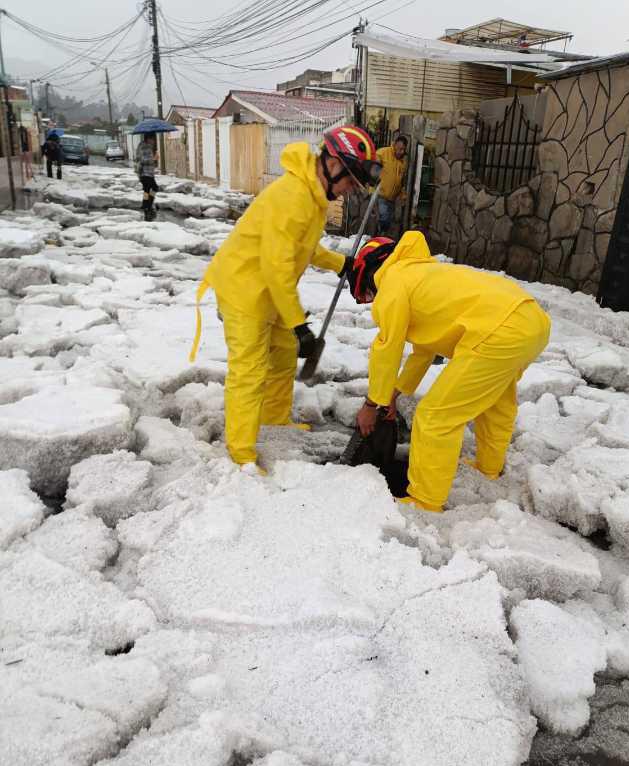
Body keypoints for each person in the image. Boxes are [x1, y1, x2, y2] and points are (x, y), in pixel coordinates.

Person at [189, 124, 381, 472]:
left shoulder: (312, 195)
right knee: (248, 372)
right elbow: (278, 268)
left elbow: (302, 247)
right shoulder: (293, 196)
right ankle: (241, 455)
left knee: (281, 356)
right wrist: (300, 326)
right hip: (244, 289)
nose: (350, 190)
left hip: (270, 291)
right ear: (333, 164)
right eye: (351, 180)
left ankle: (275, 422)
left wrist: (342, 264)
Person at [348, 231, 551, 512]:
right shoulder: (422, 274)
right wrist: (393, 394)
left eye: (368, 295)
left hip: (498, 329)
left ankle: (424, 500)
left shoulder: (393, 283)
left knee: (435, 417)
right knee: (496, 402)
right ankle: (488, 467)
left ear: (369, 274)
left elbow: (386, 349)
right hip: (532, 322)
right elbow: (424, 351)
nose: (372, 301)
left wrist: (373, 403)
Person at [375, 135, 408, 235]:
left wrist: (402, 195)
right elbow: (373, 161)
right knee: (384, 218)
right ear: (394, 145)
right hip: (381, 195)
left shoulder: (402, 162)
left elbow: (401, 181)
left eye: (403, 150)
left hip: (392, 199)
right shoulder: (383, 152)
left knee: (388, 222)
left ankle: (379, 237)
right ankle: (380, 235)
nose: (401, 152)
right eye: (400, 149)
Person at [135, 134, 159, 221]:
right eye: (153, 139)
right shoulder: (146, 147)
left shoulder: (141, 145)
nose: (154, 141)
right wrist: (154, 159)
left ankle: (146, 206)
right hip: (146, 173)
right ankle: (148, 205)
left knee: (146, 190)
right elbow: (142, 160)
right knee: (154, 188)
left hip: (144, 173)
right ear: (148, 139)